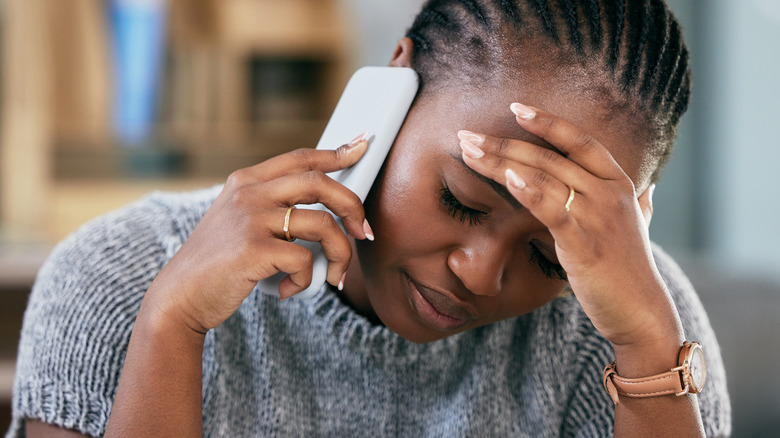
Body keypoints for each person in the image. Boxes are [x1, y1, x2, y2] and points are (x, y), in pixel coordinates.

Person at [9, 0, 731, 436]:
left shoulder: (642, 334)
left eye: (552, 257)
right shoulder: (118, 276)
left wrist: (646, 350)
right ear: (394, 85)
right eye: (463, 200)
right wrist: (169, 326)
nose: (480, 275)